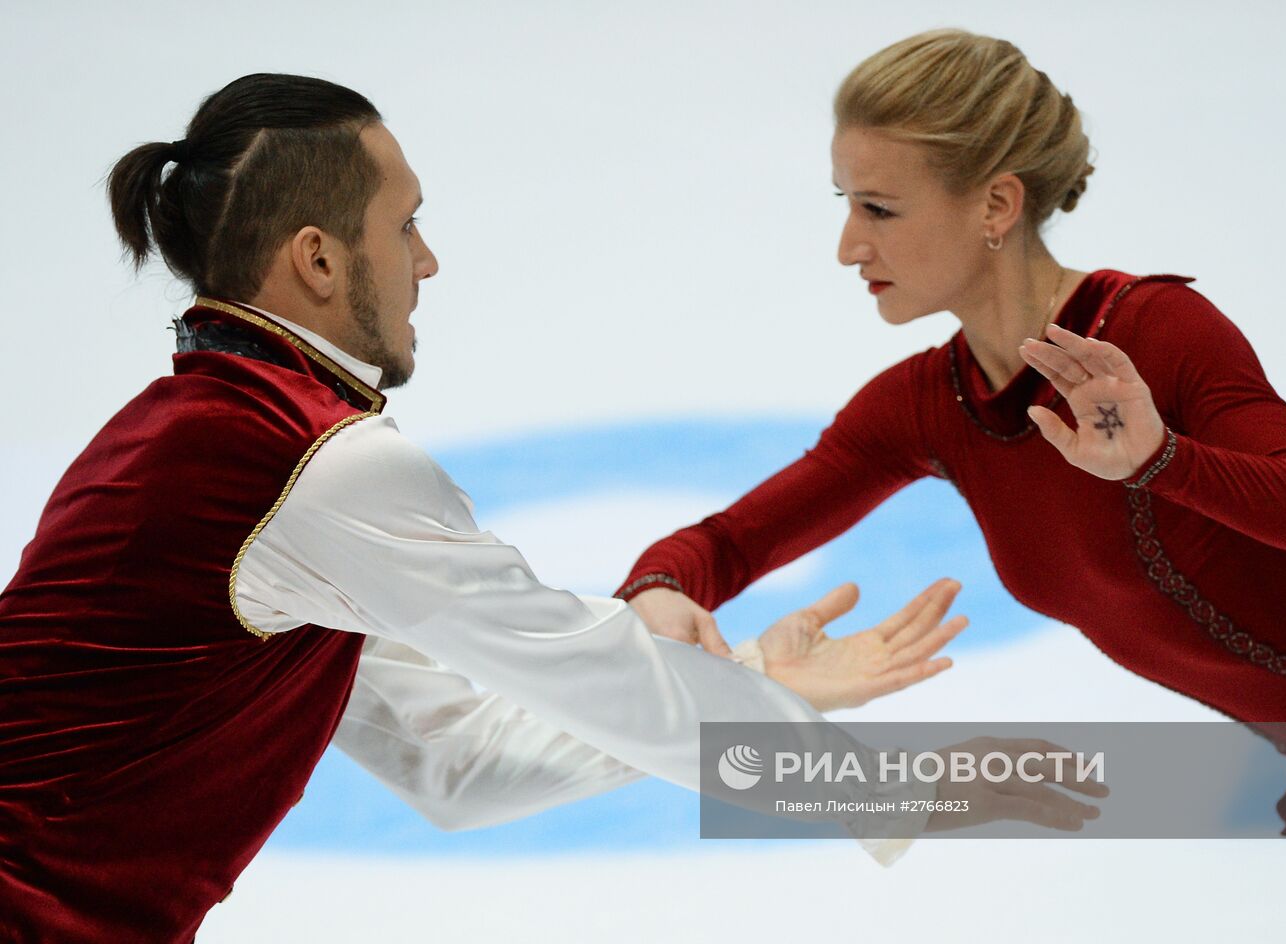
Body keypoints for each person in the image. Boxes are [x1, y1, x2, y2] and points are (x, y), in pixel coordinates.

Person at [0, 73, 1106, 944]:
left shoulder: (201, 444)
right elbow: (604, 678)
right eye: (406, 226)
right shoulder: (310, 466)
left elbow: (455, 761)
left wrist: (751, 678)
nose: (428, 262)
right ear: (321, 258)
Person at [616, 28, 1286, 941]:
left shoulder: (1155, 333)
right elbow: (732, 541)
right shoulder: (929, 405)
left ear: (996, 203)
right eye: (846, 203)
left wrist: (1162, 462)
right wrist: (657, 589)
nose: (846, 245)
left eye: (877, 208)